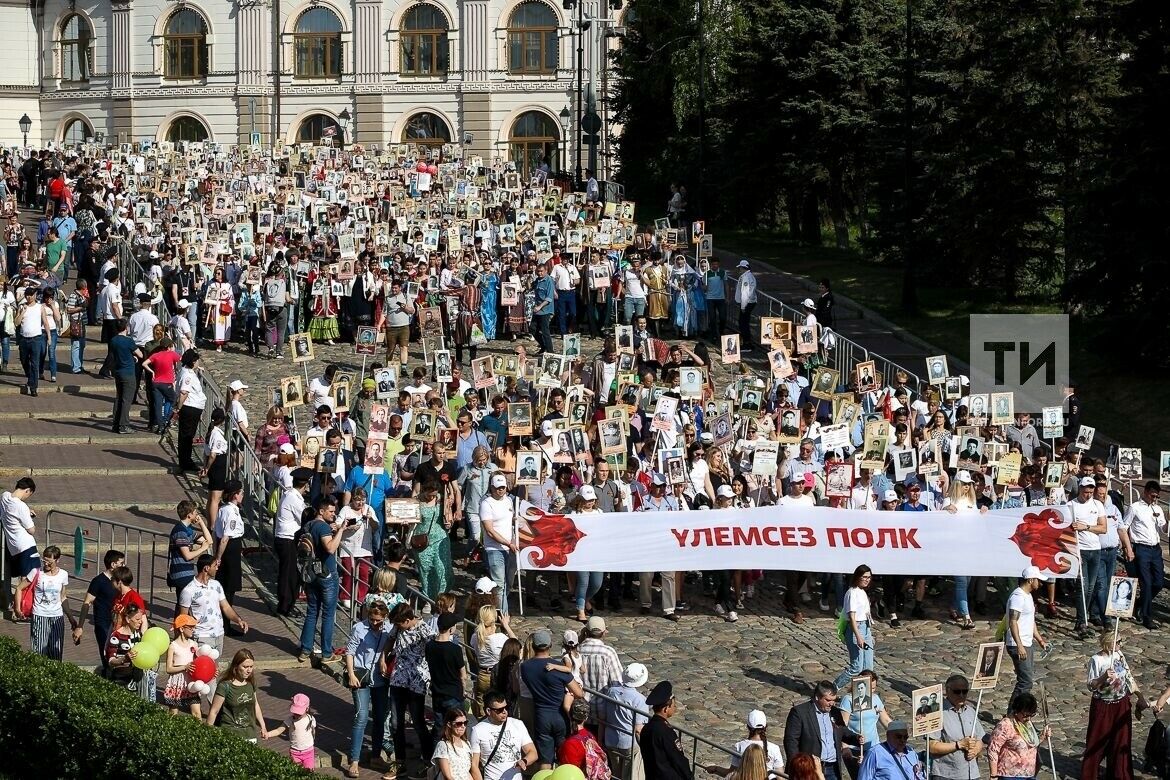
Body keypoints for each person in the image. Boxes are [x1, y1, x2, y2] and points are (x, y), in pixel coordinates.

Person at [1082, 632, 1146, 780]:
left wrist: (1140, 696)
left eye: (1120, 641)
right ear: (1108, 643)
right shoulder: (1096, 660)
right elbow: (1091, 685)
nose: (1120, 644)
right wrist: (1104, 676)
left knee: (1121, 740)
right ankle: (1090, 774)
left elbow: (1128, 677)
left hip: (1121, 703)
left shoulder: (1119, 655)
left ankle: (1119, 774)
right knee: (1097, 740)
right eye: (1118, 641)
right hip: (1103, 705)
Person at [384, 603, 437, 773]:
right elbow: (390, 639)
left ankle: (427, 759)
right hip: (398, 679)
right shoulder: (398, 628)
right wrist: (382, 658)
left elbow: (435, 649)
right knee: (395, 722)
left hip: (416, 681)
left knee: (418, 722)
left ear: (408, 620)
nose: (397, 627)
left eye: (399, 624)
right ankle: (400, 761)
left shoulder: (425, 630)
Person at [520, 627, 584, 769]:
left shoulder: (525, 667)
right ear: (550, 646)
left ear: (534, 646)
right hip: (560, 715)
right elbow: (579, 693)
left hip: (541, 715)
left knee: (545, 760)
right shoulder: (558, 667)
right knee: (564, 757)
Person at [344, 601, 392, 778]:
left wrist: (384, 658)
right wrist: (351, 674)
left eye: (378, 620)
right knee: (361, 716)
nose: (375, 623)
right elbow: (349, 652)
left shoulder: (389, 629)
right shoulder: (359, 628)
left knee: (380, 717)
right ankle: (354, 760)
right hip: (361, 677)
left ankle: (375, 755)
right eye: (372, 619)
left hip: (380, 679)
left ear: (385, 617)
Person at [298, 494, 346, 663]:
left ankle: (305, 649)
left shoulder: (308, 525)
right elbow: (330, 548)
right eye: (331, 511)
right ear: (321, 511)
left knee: (312, 612)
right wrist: (340, 531)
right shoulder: (323, 528)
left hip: (311, 573)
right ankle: (326, 653)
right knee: (328, 614)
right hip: (326, 574)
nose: (334, 514)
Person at [15, 544, 81, 660]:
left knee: (56, 651)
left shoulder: (63, 575)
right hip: (40, 615)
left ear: (57, 560)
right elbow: (19, 588)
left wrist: (71, 618)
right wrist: (17, 608)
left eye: (49, 562)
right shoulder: (36, 572)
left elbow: (63, 597)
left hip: (57, 616)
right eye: (44, 561)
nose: (46, 564)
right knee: (39, 651)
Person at [178, 554, 250, 658]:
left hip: (219, 634)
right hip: (202, 636)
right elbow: (183, 617)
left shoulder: (216, 585)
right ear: (206, 568)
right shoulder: (189, 591)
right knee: (203, 670)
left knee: (214, 670)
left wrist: (238, 620)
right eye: (215, 565)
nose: (217, 568)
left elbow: (226, 607)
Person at [783, 681, 857, 780]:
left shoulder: (835, 712)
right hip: (809, 768)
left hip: (832, 767)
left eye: (834, 700)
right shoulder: (800, 713)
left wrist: (856, 738)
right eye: (828, 700)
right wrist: (797, 765)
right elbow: (791, 741)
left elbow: (843, 732)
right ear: (817, 697)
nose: (832, 703)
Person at [1119, 481, 1165, 629]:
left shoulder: (1157, 508)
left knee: (1158, 582)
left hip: (1155, 549)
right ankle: (1146, 617)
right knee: (1146, 583)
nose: (1154, 499)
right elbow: (1123, 527)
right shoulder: (1135, 507)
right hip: (1141, 548)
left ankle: (1140, 603)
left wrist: (1168, 519)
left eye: (1157, 496)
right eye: (1152, 496)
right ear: (1145, 492)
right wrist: (1128, 548)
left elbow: (1163, 528)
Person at [926, 675, 984, 780]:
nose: (961, 695)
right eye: (957, 692)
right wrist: (959, 745)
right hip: (948, 775)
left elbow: (979, 739)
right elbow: (932, 747)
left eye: (965, 691)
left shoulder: (971, 712)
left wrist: (975, 750)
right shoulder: (937, 712)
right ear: (947, 691)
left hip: (972, 774)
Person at [470, 689, 538, 780]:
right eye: (499, 710)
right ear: (488, 711)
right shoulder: (478, 730)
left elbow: (532, 752)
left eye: (506, 707)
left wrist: (524, 761)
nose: (505, 712)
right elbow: (474, 765)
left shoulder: (517, 724)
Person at [1005, 566, 1049, 702]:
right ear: (1030, 580)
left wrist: (1040, 640)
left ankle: (1017, 712)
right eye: (1038, 580)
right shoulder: (1018, 597)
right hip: (1019, 644)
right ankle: (1012, 714)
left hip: (1026, 643)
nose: (1040, 583)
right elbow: (1013, 622)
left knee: (1026, 680)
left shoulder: (1028, 596)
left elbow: (1030, 621)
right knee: (1025, 682)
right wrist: (1019, 645)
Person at [208, 649, 270, 742]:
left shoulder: (251, 683)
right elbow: (214, 711)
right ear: (236, 666)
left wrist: (263, 726)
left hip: (250, 734)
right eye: (245, 667)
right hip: (230, 734)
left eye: (251, 666)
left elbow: (255, 705)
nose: (249, 670)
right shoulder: (225, 686)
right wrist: (207, 732)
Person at [603, 662, 650, 779]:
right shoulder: (640, 700)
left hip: (611, 739)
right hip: (629, 742)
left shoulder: (611, 691)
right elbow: (638, 729)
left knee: (615, 773)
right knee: (629, 775)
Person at [706, 710, 785, 779]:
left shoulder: (739, 746)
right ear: (765, 727)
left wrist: (716, 769)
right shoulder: (774, 748)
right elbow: (780, 776)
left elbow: (732, 773)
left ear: (748, 727)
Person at [988, 694, 1050, 780]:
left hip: (1029, 773)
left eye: (1031, 715)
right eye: (1025, 715)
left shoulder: (1027, 724)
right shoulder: (1005, 725)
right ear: (1017, 710)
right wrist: (993, 775)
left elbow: (1030, 744)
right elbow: (993, 749)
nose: (1028, 718)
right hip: (1010, 774)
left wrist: (1043, 736)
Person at [3, 477, 41, 613]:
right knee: (30, 577)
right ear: (27, 490)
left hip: (13, 547)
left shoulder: (5, 497)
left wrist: (26, 512)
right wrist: (29, 515)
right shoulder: (21, 506)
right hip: (26, 546)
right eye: (29, 494)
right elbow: (31, 530)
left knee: (22, 578)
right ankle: (24, 609)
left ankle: (18, 606)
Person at [640, 680, 692, 779]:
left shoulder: (647, 728)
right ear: (666, 709)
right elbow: (678, 759)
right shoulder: (666, 732)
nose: (674, 708)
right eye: (673, 705)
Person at [834, 565, 875, 689]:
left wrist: (868, 634)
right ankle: (833, 688)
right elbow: (852, 617)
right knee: (856, 666)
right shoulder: (852, 593)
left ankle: (863, 696)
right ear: (857, 577)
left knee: (868, 667)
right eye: (864, 577)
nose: (867, 580)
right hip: (856, 629)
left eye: (869, 577)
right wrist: (858, 636)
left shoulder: (862, 592)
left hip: (865, 628)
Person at [558, 698, 613, 778]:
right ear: (586, 718)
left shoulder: (570, 744)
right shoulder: (590, 736)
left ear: (570, 715)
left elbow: (569, 772)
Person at [162, 614, 203, 719]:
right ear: (181, 629)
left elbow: (199, 663)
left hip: (191, 682)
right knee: (173, 712)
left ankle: (199, 734)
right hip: (177, 682)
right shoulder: (173, 646)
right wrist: (185, 667)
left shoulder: (193, 644)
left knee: (197, 713)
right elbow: (169, 669)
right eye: (191, 627)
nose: (193, 630)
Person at [268, 693, 319, 770]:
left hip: (309, 752)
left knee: (309, 773)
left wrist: (311, 742)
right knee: (296, 772)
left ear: (307, 709)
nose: (296, 714)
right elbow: (279, 730)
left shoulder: (311, 719)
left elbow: (313, 732)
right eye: (295, 712)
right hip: (295, 753)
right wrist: (268, 734)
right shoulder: (290, 720)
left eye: (299, 713)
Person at [856, 721, 922, 780]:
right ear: (888, 736)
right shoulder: (874, 753)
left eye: (905, 737)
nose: (902, 740)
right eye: (898, 737)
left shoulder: (911, 753)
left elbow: (919, 775)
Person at [432, 706, 479, 780]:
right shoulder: (443, 745)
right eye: (459, 724)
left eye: (465, 723)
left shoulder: (467, 744)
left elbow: (466, 772)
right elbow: (447, 776)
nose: (463, 726)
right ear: (449, 724)